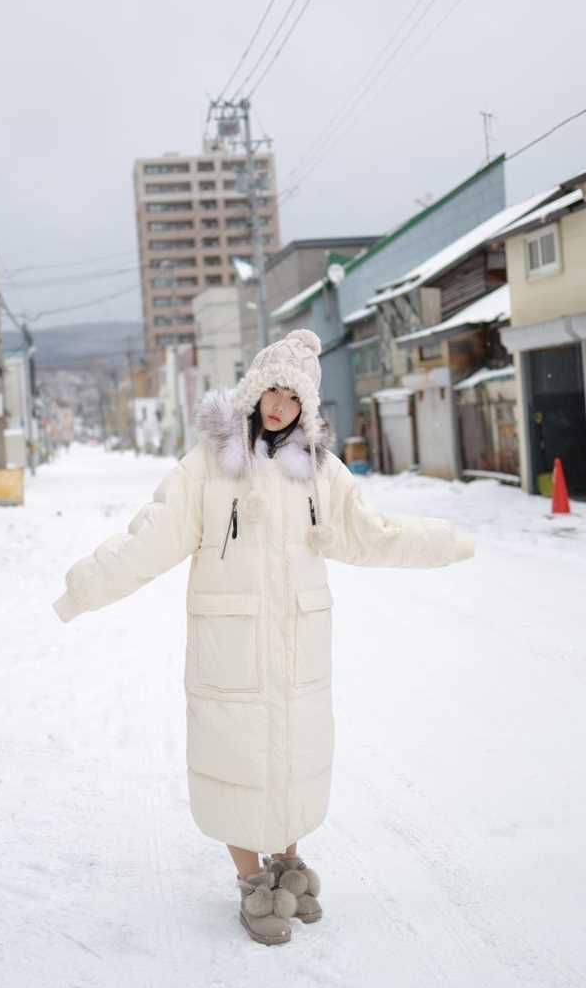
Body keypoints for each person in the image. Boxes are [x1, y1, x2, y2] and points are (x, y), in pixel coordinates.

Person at [52, 328, 475, 946]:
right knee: (237, 762)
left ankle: (286, 864)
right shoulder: (208, 467)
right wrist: (83, 587)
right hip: (232, 652)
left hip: (297, 649)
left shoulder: (320, 474)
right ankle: (252, 881)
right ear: (253, 390)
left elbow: (371, 532)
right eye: (270, 388)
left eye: (292, 395)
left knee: (292, 761)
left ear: (307, 408)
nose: (278, 404)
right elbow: (149, 539)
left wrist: (443, 543)